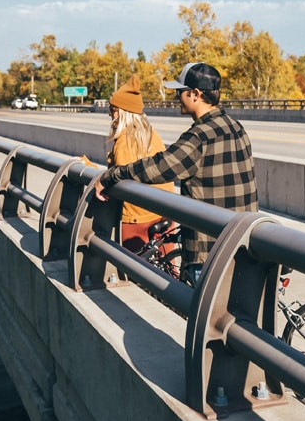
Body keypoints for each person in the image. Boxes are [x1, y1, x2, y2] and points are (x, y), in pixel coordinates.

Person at [94, 62, 258, 283]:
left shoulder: (199, 136)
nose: (177, 97)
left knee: (200, 314)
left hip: (209, 250)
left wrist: (111, 175)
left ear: (195, 94)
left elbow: (160, 167)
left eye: (181, 92)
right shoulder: (236, 126)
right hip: (241, 242)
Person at [104, 74, 175, 252]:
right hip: (164, 209)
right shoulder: (152, 134)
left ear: (123, 111)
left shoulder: (124, 140)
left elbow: (120, 177)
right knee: (168, 275)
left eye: (112, 109)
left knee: (137, 271)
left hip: (138, 216)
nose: (109, 114)